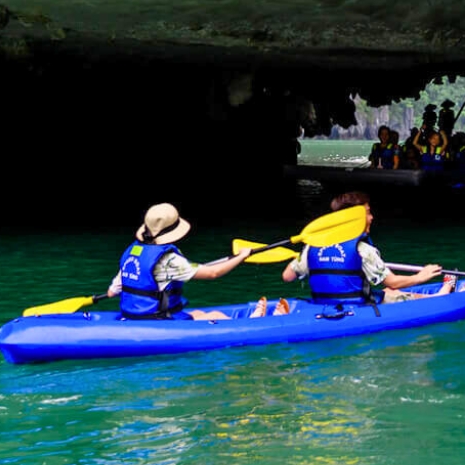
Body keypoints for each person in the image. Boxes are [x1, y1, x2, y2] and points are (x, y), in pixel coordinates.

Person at [282, 191, 446, 307]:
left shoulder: (312, 246)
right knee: (391, 291)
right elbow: (393, 282)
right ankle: (439, 298)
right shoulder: (363, 250)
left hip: (323, 305)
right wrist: (421, 276)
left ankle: (437, 295)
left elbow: (287, 276)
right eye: (367, 213)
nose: (372, 217)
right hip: (358, 308)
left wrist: (303, 257)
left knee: (388, 292)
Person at [109, 203, 260, 321]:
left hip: (132, 316)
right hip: (157, 321)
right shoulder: (170, 260)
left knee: (199, 313)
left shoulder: (133, 252)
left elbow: (112, 292)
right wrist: (241, 256)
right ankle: (254, 321)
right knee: (216, 315)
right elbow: (213, 273)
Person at [410, 106, 447, 170]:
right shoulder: (424, 149)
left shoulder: (439, 150)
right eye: (433, 139)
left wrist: (442, 133)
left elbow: (445, 143)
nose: (435, 141)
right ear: (429, 140)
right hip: (425, 174)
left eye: (437, 140)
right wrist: (421, 130)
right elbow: (414, 143)